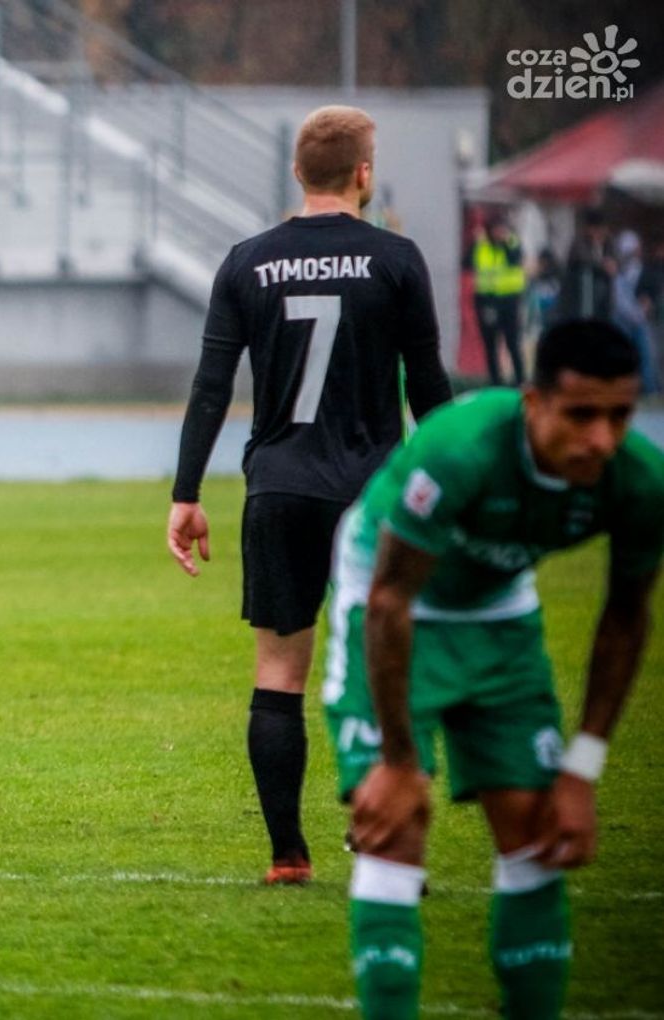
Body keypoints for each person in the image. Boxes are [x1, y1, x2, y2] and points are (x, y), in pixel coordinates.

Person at [323, 319, 663, 1019]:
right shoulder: (459, 448)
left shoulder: (639, 481)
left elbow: (627, 617)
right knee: (393, 829)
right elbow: (390, 600)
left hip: (498, 610)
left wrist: (582, 768)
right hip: (389, 599)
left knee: (536, 831)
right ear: (534, 402)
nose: (601, 439)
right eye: (580, 415)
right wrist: (399, 761)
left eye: (619, 416)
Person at [166, 105, 452, 886]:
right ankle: (379, 830)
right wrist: (459, 483)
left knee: (278, 674)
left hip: (280, 488)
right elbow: (428, 385)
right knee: (386, 665)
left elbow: (211, 387)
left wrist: (186, 492)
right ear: (364, 173)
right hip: (375, 497)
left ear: (297, 172)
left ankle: (288, 856)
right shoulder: (396, 259)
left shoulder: (247, 261)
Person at [470, 214, 526, 385]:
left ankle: (520, 381)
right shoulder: (482, 247)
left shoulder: (512, 244)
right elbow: (470, 263)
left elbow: (514, 259)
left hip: (509, 301)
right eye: (496, 229)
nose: (499, 233)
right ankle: (495, 382)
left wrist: (506, 242)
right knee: (490, 345)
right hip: (487, 301)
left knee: (512, 343)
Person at [611, 229, 658, 395]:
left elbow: (651, 292)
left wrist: (648, 303)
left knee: (645, 355)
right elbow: (619, 299)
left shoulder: (644, 272)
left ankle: (649, 389)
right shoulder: (618, 273)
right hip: (623, 319)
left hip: (640, 319)